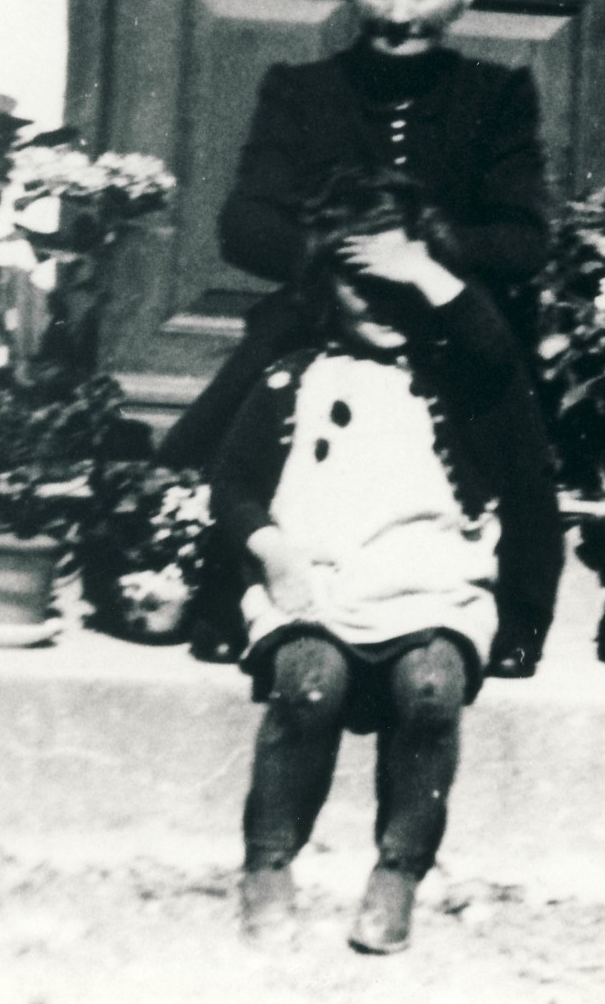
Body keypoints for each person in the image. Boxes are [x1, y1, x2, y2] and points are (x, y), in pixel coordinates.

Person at [163, 0, 558, 675]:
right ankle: (220, 596)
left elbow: (523, 240)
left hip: (449, 316)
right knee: (245, 406)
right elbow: (245, 224)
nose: (399, 12)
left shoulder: (497, 95)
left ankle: (518, 617)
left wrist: (422, 256)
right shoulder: (300, 89)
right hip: (328, 315)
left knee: (510, 428)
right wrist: (339, 259)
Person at [210, 169, 561, 955]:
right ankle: (267, 861)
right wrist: (271, 550)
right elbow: (232, 485)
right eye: (360, 282)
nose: (382, 301)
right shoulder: (293, 376)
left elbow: (493, 351)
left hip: (430, 582)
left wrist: (423, 270)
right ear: (323, 286)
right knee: (309, 684)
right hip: (317, 580)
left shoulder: (456, 378)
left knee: (430, 691)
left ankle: (399, 868)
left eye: (399, 283)